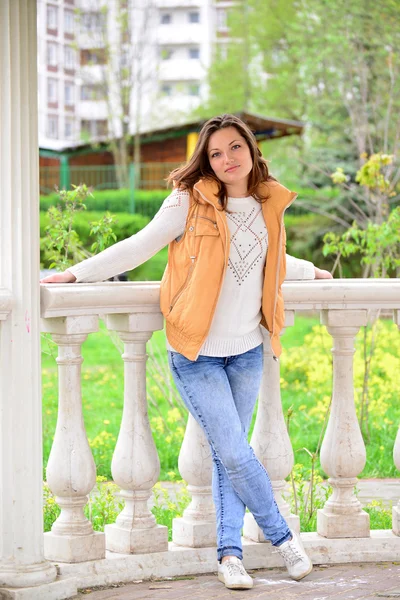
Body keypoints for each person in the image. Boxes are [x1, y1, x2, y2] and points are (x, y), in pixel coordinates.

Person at [41, 114, 332, 590]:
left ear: (252, 150)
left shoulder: (266, 204)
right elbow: (138, 246)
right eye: (215, 153)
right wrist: (75, 274)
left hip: (247, 351)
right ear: (207, 160)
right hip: (196, 353)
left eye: (234, 148)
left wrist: (312, 272)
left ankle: (230, 555)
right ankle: (284, 539)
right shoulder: (188, 201)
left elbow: (268, 258)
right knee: (236, 451)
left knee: (226, 456)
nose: (226, 159)